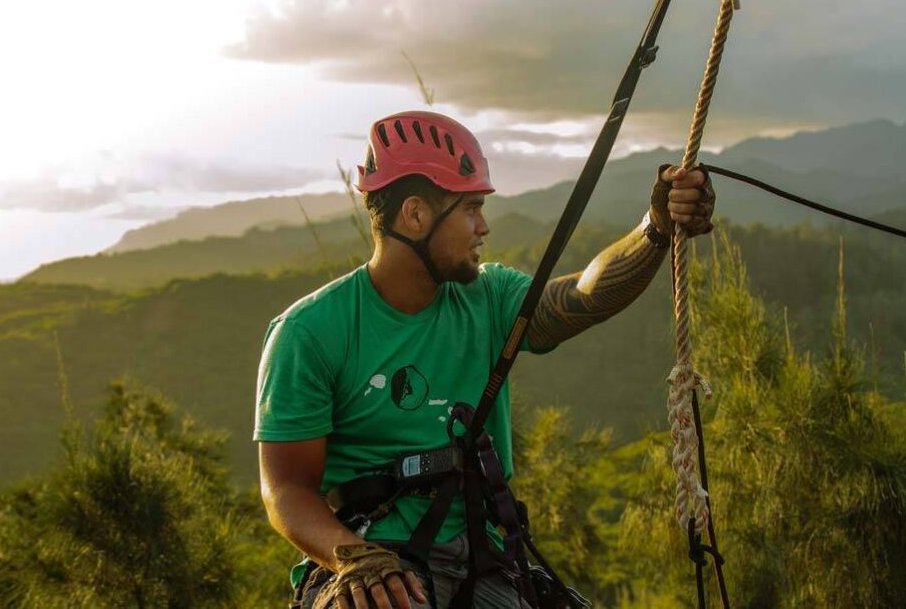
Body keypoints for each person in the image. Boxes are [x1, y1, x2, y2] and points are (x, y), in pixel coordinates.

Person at [254, 111, 715, 609]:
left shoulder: (488, 297)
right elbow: (286, 490)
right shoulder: (310, 333)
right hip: (370, 558)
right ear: (415, 215)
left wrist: (655, 230)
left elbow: (582, 296)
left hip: (482, 560)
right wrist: (354, 559)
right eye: (470, 208)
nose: (483, 226)